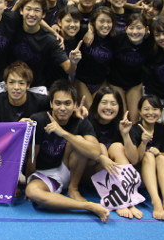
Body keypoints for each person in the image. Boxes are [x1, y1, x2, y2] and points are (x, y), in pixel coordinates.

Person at [24, 79, 109, 223]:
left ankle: (73, 189)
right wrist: (28, 181)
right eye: (58, 103)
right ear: (51, 104)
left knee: (80, 141)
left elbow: (95, 151)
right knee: (32, 192)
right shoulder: (39, 120)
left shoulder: (80, 120)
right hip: (45, 175)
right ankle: (88, 206)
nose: (62, 108)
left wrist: (63, 133)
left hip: (69, 168)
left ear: (75, 104)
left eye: (67, 103)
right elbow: (32, 157)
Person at [85, 86, 141, 219]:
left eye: (113, 103)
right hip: (90, 174)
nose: (108, 107)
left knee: (116, 146)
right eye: (104, 103)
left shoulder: (123, 124)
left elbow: (134, 160)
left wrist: (125, 135)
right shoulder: (88, 122)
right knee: (101, 147)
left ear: (120, 107)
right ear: (96, 104)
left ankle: (126, 196)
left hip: (116, 177)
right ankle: (118, 199)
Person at [12, 0, 77, 95]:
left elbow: (69, 69)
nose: (32, 14)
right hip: (11, 83)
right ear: (21, 11)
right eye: (28, 9)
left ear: (43, 15)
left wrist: (73, 62)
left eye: (37, 10)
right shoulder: (13, 26)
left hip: (36, 87)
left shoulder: (50, 40)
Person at [129, 95, 164, 222]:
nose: (150, 113)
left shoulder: (161, 129)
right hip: (139, 174)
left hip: (158, 174)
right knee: (148, 155)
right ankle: (156, 201)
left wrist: (159, 153)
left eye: (155, 109)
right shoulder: (134, 129)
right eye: (146, 109)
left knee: (161, 158)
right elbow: (134, 160)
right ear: (139, 111)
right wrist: (143, 144)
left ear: (160, 111)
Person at [107, 14, 151, 123]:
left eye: (139, 28)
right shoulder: (117, 38)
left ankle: (132, 139)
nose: (135, 32)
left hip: (134, 84)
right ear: (126, 29)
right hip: (115, 82)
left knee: (134, 118)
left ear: (146, 29)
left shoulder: (151, 41)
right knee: (122, 116)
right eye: (131, 28)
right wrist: (90, 31)